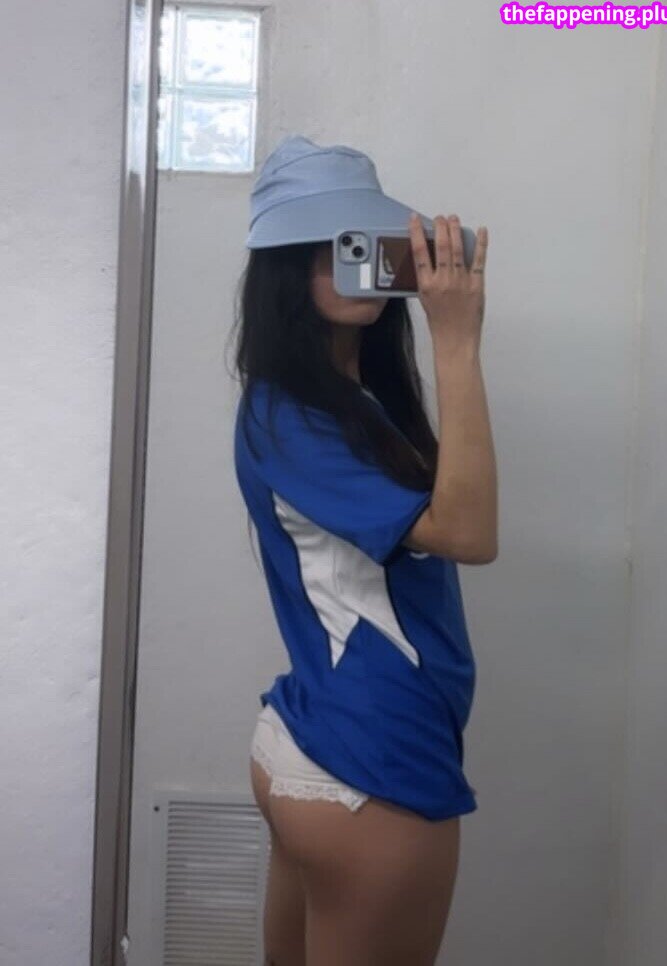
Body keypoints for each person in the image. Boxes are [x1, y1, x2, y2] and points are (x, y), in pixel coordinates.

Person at [230, 134, 495, 965]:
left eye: (367, 244)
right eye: (333, 249)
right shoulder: (290, 418)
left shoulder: (346, 404)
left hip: (314, 740)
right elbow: (467, 533)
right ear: (285, 273)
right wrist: (458, 340)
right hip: (371, 765)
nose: (361, 269)